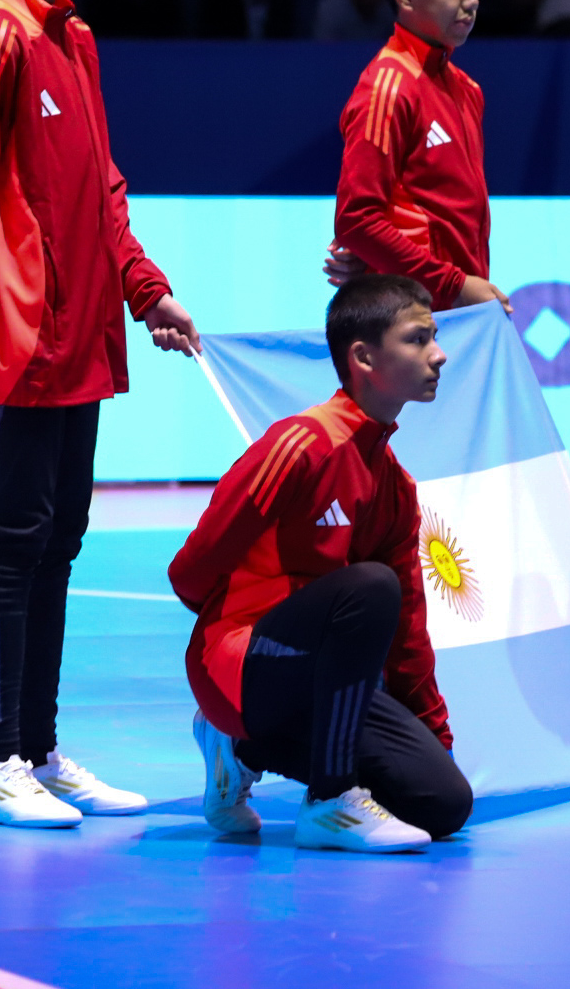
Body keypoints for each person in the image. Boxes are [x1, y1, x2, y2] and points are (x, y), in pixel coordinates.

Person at [0, 0, 202, 829]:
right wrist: (34, 276)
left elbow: (103, 187)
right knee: (16, 543)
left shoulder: (75, 37)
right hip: (21, 338)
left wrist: (144, 288)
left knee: (62, 544)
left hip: (87, 338)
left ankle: (37, 748)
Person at [170, 274, 472, 852]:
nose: (439, 354)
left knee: (443, 804)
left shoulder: (395, 487)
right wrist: (242, 645)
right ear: (363, 357)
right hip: (242, 660)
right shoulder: (299, 446)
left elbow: (409, 631)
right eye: (418, 339)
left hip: (322, 683)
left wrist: (435, 738)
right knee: (369, 587)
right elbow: (192, 571)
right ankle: (329, 801)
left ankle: (239, 748)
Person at [326, 0, 508, 313]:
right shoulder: (386, 88)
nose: (472, 1)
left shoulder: (467, 89)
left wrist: (461, 291)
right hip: (408, 319)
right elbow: (357, 220)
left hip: (460, 311)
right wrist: (455, 285)